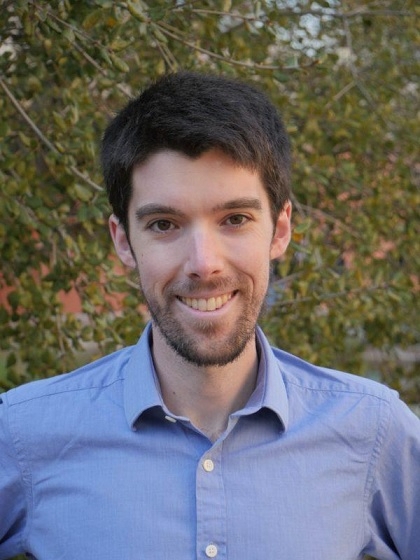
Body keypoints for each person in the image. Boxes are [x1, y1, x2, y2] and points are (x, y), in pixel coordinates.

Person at [0, 72, 419, 560]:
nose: (204, 263)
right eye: (164, 224)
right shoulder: (25, 434)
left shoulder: (373, 430)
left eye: (235, 219)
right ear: (122, 241)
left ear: (280, 230)